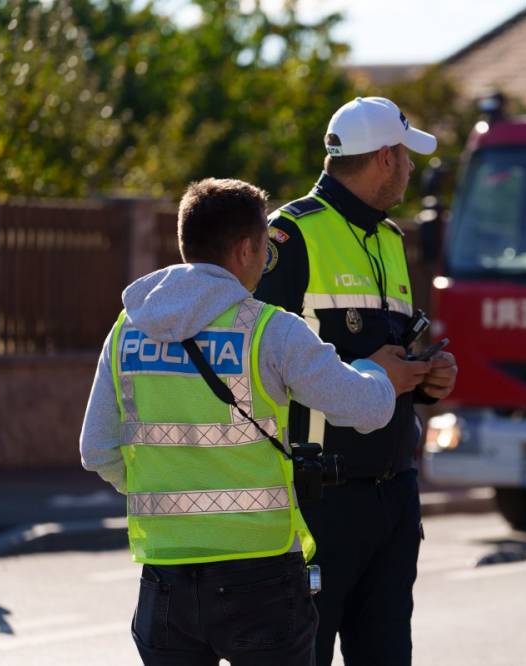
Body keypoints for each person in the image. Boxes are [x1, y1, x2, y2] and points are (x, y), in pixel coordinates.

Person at [79, 177, 421, 666]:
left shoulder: (128, 330)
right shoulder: (269, 330)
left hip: (165, 582)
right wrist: (375, 371)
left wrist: (165, 487)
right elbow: (366, 408)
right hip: (258, 581)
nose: (266, 261)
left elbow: (97, 451)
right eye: (264, 247)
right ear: (244, 250)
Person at [254, 97, 458, 666]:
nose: (413, 171)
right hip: (321, 500)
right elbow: (261, 366)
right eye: (407, 158)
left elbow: (388, 351)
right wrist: (375, 374)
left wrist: (423, 377)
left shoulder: (392, 240)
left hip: (393, 492)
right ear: (386, 158)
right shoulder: (288, 237)